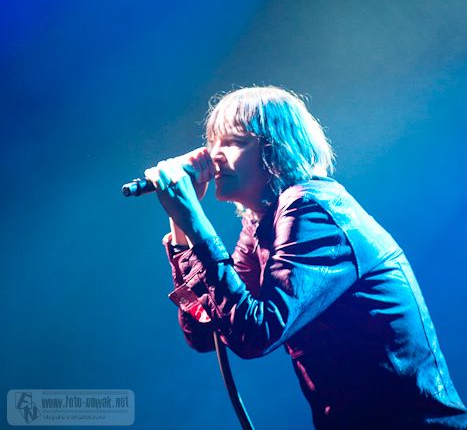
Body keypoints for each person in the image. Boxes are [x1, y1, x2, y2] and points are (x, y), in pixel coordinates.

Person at [145, 86, 467, 429]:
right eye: (213, 143)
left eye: (234, 142)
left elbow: (257, 333)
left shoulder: (311, 208)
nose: (214, 156)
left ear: (277, 148)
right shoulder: (260, 225)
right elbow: (203, 331)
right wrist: (181, 225)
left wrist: (195, 221)